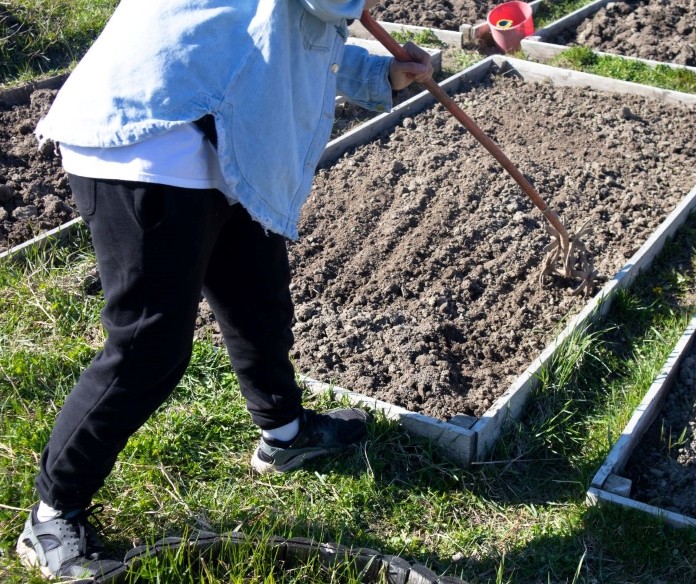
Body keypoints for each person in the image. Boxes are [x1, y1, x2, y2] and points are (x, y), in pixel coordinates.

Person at [15, 0, 433, 581]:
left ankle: (283, 434)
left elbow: (284, 33)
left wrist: (379, 73)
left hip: (224, 132)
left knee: (258, 298)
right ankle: (51, 514)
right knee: (147, 346)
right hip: (153, 139)